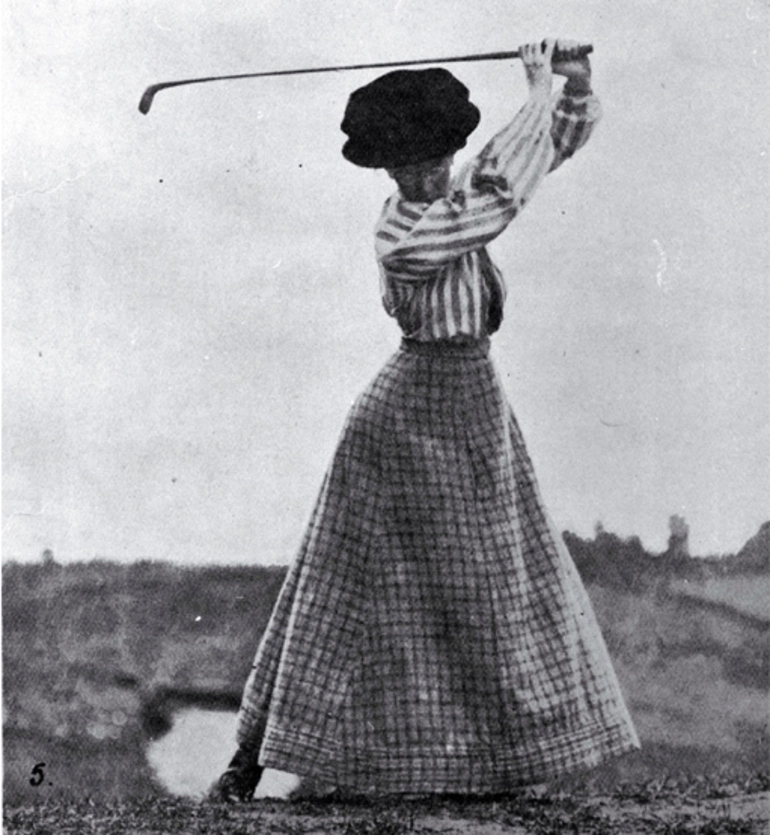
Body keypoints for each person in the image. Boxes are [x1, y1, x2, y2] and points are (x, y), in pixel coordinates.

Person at [215, 38, 639, 802]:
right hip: (401, 419)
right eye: (407, 165)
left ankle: (485, 770)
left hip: (473, 406)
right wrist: (534, 90)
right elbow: (499, 202)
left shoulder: (459, 190)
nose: (425, 174)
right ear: (385, 169)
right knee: (333, 587)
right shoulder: (403, 234)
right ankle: (246, 763)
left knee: (487, 586)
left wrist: (571, 89)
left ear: (452, 150)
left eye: (437, 157)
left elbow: (545, 152)